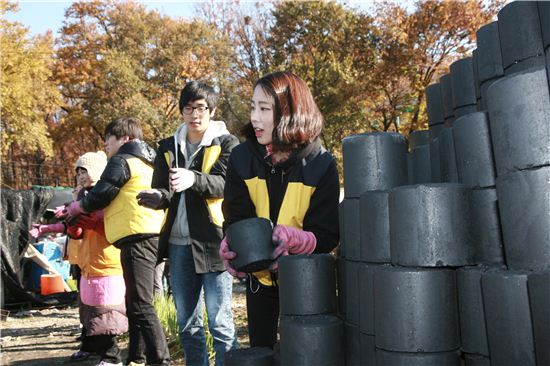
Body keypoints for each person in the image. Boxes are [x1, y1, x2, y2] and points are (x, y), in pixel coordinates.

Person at [219, 71, 340, 348]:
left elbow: (327, 235)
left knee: (304, 353)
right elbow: (235, 218)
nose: (254, 117)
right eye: (252, 107)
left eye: (264, 109)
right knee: (261, 352)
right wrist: (230, 243)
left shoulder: (322, 165)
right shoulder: (241, 158)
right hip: (259, 281)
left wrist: (297, 240)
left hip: (305, 284)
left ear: (289, 113)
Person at [137, 81, 239, 366]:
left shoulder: (227, 143)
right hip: (179, 245)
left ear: (212, 110)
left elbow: (227, 184)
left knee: (220, 322)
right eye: (188, 108)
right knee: (187, 323)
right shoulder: (169, 147)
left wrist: (193, 179)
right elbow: (165, 190)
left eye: (201, 108)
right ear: (181, 111)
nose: (195, 114)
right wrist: (156, 196)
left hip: (215, 242)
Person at [57, 118, 170, 366]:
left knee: (140, 304)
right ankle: (137, 358)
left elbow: (102, 194)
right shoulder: (147, 162)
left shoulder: (122, 160)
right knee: (135, 303)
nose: (106, 145)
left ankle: (160, 361)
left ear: (125, 139)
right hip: (148, 233)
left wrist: (78, 206)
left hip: (137, 235)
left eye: (109, 139)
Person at [31, 151, 128, 366]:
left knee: (105, 309)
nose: (81, 175)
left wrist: (73, 211)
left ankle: (111, 356)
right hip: (86, 261)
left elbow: (97, 223)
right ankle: (90, 347)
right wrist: (52, 224)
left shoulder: (105, 196)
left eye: (85, 170)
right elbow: (75, 230)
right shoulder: (82, 195)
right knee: (88, 307)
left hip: (105, 261)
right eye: (78, 172)